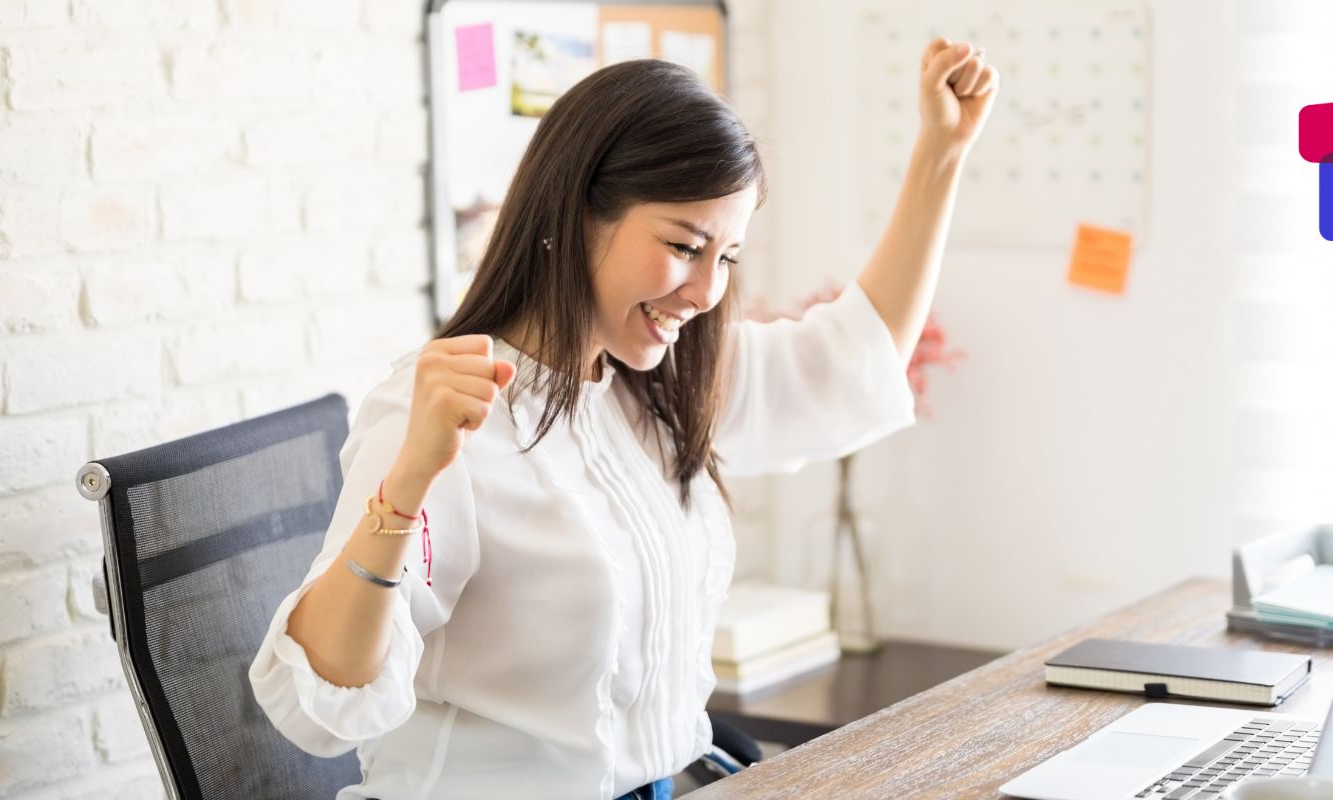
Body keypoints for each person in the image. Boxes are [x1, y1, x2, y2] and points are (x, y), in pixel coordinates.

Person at [250, 37, 999, 800]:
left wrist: (943, 151)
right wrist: (407, 483)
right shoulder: (448, 414)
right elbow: (321, 699)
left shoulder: (661, 384)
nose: (707, 290)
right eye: (684, 246)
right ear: (577, 215)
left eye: (728, 256)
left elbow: (848, 361)